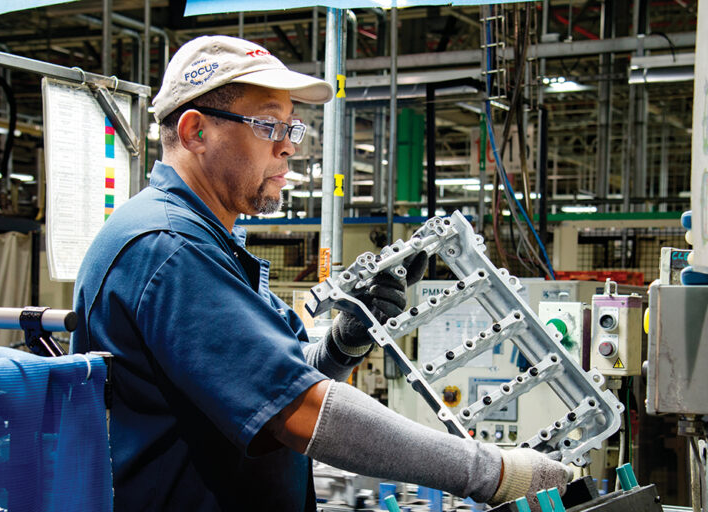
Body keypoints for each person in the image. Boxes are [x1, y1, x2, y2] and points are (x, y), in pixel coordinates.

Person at [71, 35, 571, 511]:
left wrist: (342, 345)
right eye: (269, 126)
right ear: (196, 131)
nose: (289, 147)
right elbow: (301, 411)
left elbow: (271, 384)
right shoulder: (168, 249)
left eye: (292, 128)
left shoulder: (204, 241)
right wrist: (495, 473)